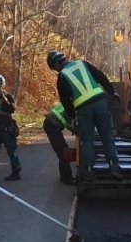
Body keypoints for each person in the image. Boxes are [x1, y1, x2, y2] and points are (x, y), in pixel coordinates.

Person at [47, 50, 123, 182]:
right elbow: (100, 76)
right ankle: (114, 167)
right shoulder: (82, 63)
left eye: (55, 69)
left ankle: (89, 171)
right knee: (107, 136)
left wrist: (72, 116)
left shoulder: (62, 77)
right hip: (100, 102)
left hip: (84, 109)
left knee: (87, 140)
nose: (56, 71)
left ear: (56, 65)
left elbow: (66, 102)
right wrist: (111, 92)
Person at [43, 102, 76, 185]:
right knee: (64, 151)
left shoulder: (71, 102)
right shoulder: (75, 107)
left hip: (50, 124)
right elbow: (70, 123)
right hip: (52, 125)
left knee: (62, 151)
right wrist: (76, 130)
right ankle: (67, 179)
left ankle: (64, 177)